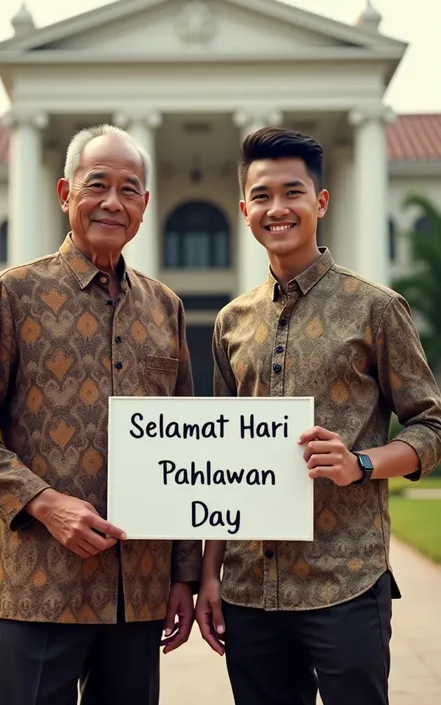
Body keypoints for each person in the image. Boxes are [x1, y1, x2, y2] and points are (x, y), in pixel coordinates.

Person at [196, 126, 441, 705]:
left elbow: (432, 426)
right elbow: (215, 462)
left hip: (346, 581)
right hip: (250, 588)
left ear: (320, 202)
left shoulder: (376, 308)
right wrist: (210, 574)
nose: (276, 208)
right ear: (244, 208)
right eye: (262, 196)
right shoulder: (231, 322)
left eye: (292, 192)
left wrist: (360, 462)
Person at [0, 124, 201, 705]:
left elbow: (187, 450)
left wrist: (183, 575)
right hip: (41, 589)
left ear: (145, 206)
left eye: (130, 189)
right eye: (98, 185)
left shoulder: (165, 307)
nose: (113, 202)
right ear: (65, 193)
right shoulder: (13, 293)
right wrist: (44, 504)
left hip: (140, 594)